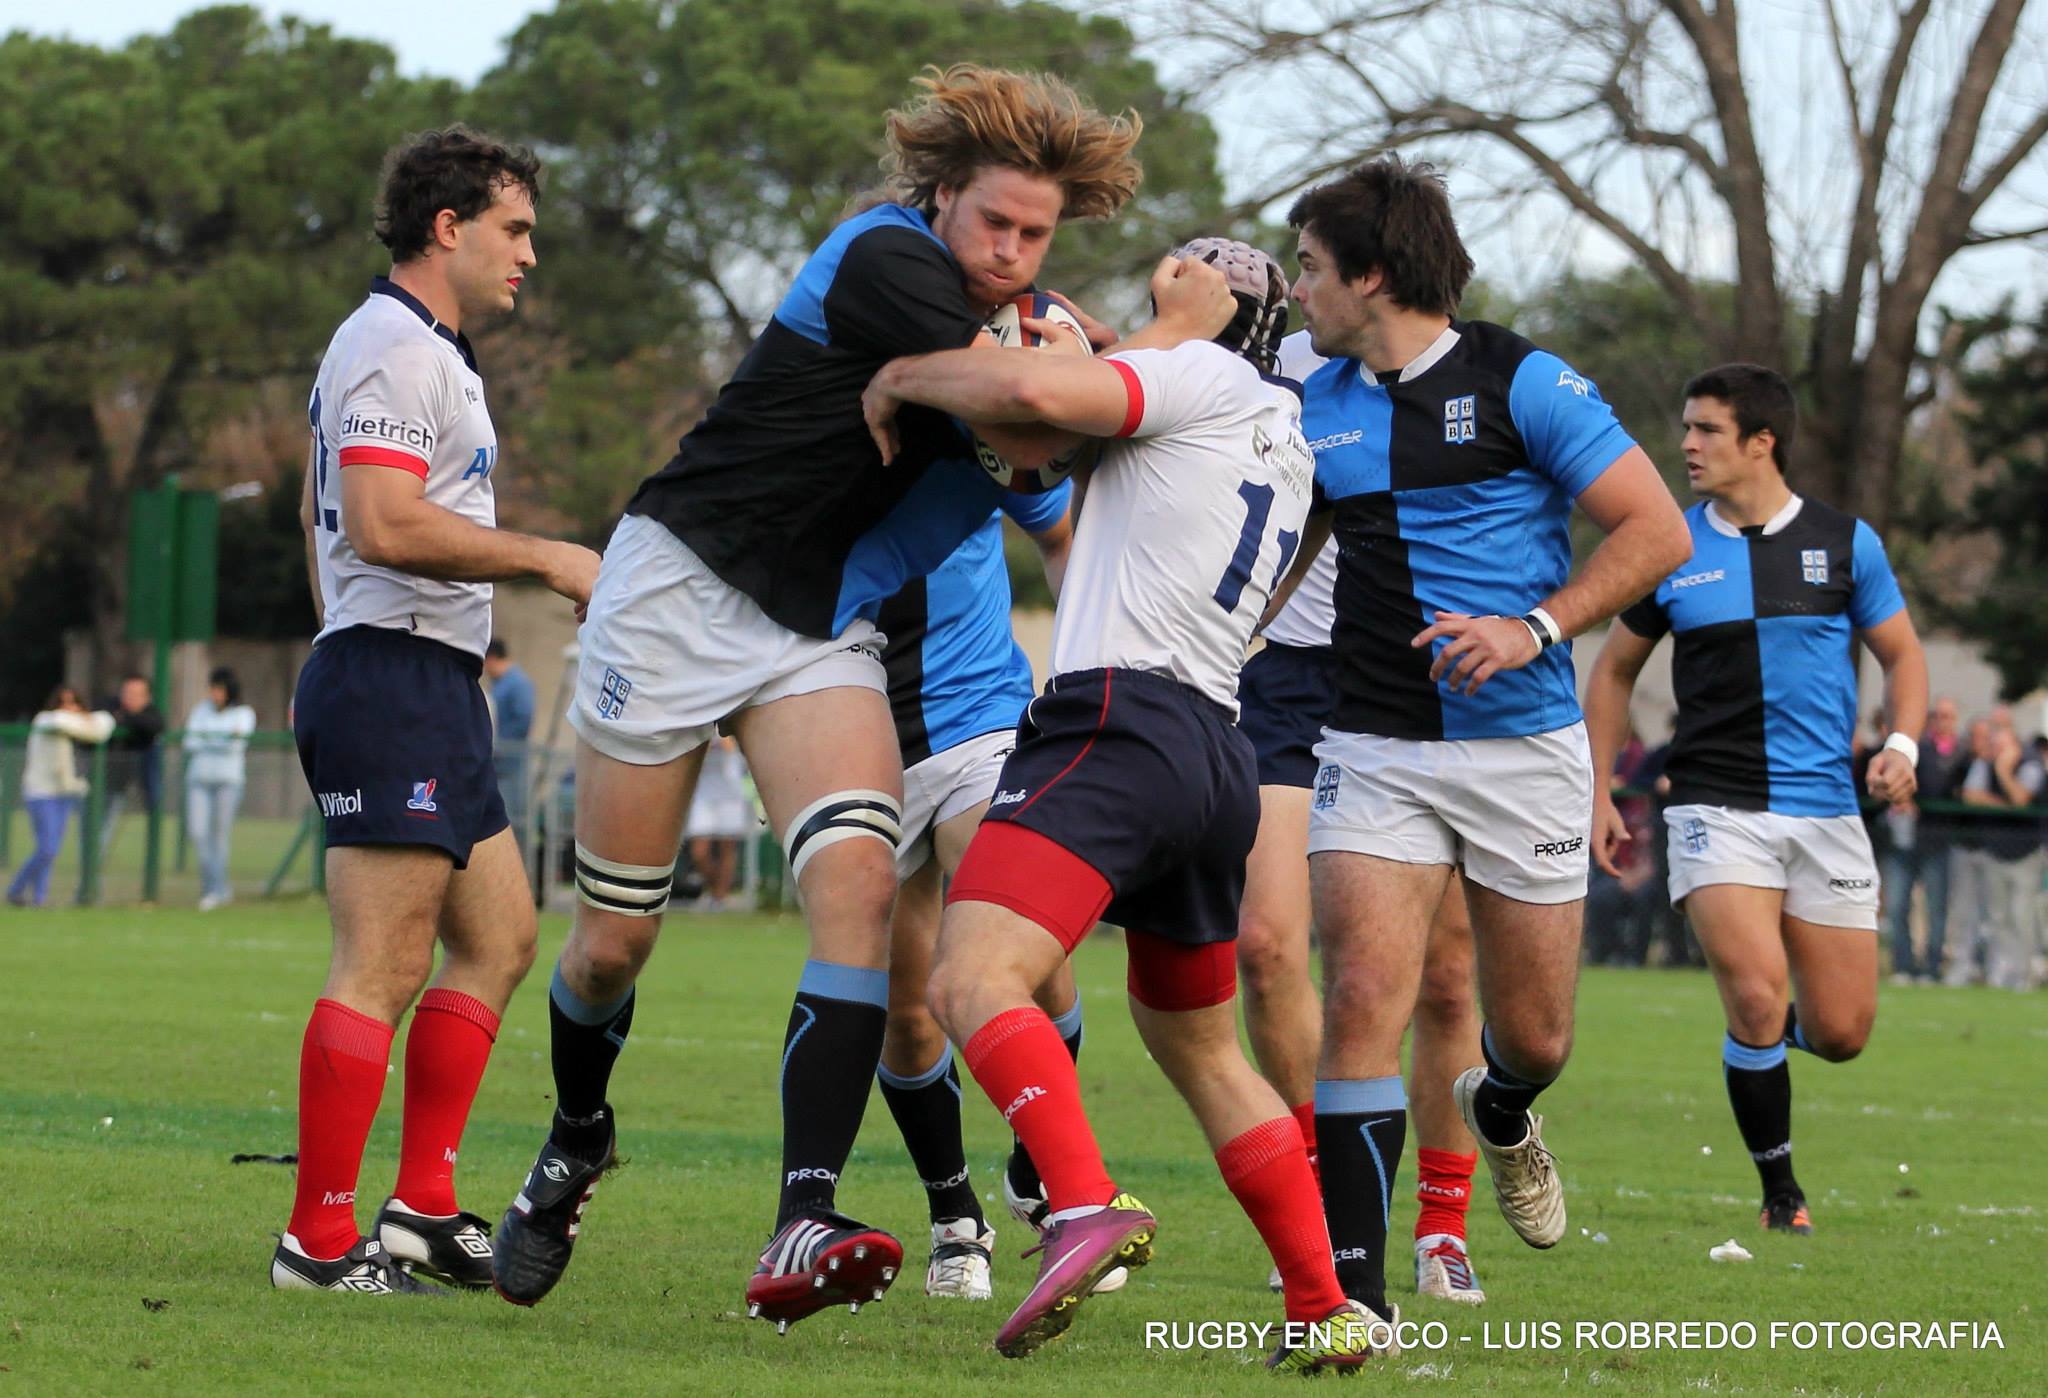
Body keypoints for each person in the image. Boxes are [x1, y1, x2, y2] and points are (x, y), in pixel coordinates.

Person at [490, 66, 1188, 1335]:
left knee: (862, 895)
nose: (1010, 254)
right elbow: (1037, 410)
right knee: (612, 944)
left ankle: (800, 1216)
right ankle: (576, 1133)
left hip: (816, 632)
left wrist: (1053, 384)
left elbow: (1048, 462)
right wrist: (1145, 347)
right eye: (993, 224)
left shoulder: (1025, 332)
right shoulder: (885, 258)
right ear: (938, 199)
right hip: (680, 589)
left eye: (1034, 236)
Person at [872, 237, 1377, 1373]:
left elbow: (1030, 399)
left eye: (1202, 259)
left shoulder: (1197, 377)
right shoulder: (1273, 428)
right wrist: (1087, 349)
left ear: (1226, 306)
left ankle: (1083, 1201)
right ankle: (1321, 1302)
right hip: (1212, 751)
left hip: (1116, 722)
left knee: (966, 976)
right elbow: (1057, 435)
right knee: (1198, 1045)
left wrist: (903, 373)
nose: (1181, 256)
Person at [1276, 156, 1691, 1332]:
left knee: (1534, 1038)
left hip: (1523, 751)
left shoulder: (1524, 380)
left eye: (1313, 269)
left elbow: (1654, 530)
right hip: (1373, 740)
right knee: (1359, 992)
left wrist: (1533, 625)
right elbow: (1279, 553)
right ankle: (1343, 1300)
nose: (1301, 293)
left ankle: (1503, 1113)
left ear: (1371, 273)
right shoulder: (1316, 398)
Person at [278, 125, 600, 1296]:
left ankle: (418, 1210)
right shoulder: (389, 345)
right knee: (381, 962)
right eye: (513, 231)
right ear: (448, 227)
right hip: (391, 677)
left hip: (424, 679)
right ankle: (317, 1247)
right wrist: (549, 557)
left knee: (502, 937)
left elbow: (332, 523)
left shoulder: (433, 353)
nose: (528, 256)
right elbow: (379, 521)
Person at [1587, 362, 1928, 1236]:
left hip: (1826, 812)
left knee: (1843, 1031)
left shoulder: (1846, 543)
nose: (1687, 445)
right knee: (1753, 995)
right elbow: (1614, 671)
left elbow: (1904, 657)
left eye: (1706, 430)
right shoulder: (1669, 545)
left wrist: (1900, 743)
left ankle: (1761, 1049)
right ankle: (1782, 1196)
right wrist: (1598, 791)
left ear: (1760, 442)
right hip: (1715, 808)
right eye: (1688, 429)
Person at [1232, 328, 1488, 1308]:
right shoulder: (1271, 366)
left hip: (1411, 674)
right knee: (1262, 941)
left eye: (1315, 262)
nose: (1302, 283)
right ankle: (1314, 1199)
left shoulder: (1459, 378)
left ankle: (1440, 1221)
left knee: (1446, 970)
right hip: (1288, 679)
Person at [871, 485, 1086, 1301]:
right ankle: (956, 1220)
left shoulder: (978, 408)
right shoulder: (808, 419)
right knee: (905, 1005)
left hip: (979, 718)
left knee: (1028, 936)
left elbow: (1063, 531)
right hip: (858, 735)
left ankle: (1042, 1161)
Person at [1881, 696, 1969, 983]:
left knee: (1936, 908)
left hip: (1938, 841)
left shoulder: (1963, 753)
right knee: (1897, 905)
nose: (1943, 722)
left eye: (1948, 716)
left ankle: (1932, 967)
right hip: (1906, 839)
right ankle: (1904, 964)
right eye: (1939, 716)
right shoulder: (1918, 749)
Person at [7, 687, 115, 908]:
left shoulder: (72, 730)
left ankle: (39, 899)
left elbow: (105, 724)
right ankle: (16, 889)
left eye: (73, 702)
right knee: (46, 848)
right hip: (40, 793)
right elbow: (62, 722)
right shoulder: (45, 720)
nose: (68, 708)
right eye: (63, 703)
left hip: (64, 795)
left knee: (51, 849)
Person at [1959, 722, 2044, 990]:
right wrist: (2000, 803)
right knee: (1996, 918)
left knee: (2020, 917)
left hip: (2025, 853)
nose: (1996, 751)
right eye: (1994, 747)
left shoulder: (2030, 764)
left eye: (2001, 747)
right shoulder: (1984, 763)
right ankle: (1999, 972)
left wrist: (2003, 771)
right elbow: (1970, 796)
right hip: (1994, 851)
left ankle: (2022, 974)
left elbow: (2020, 799)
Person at [182, 667, 257, 910]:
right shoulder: (201, 710)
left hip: (228, 781)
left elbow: (236, 743)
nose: (214, 693)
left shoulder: (243, 713)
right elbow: (190, 741)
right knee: (198, 832)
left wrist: (209, 739)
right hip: (199, 780)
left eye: (218, 689)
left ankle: (216, 890)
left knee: (219, 836)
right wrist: (221, 737)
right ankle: (214, 885)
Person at [682, 735, 755, 909]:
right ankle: (715, 888)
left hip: (731, 796)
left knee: (727, 848)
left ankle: (719, 898)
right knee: (699, 852)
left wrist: (723, 739)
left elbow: (732, 748)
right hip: (704, 795)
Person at [98, 675, 165, 858]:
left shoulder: (151, 715)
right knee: (95, 830)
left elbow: (155, 726)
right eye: (127, 693)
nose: (130, 698)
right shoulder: (108, 707)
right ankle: (90, 877)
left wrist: (126, 718)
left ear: (147, 697)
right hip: (103, 782)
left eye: (137, 694)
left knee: (104, 832)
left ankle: (92, 875)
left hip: (129, 782)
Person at [483, 638, 536, 857]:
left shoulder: (516, 683)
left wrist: (500, 745)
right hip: (499, 763)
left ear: (492, 659)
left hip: (511, 763)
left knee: (514, 817)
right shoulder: (501, 684)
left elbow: (523, 718)